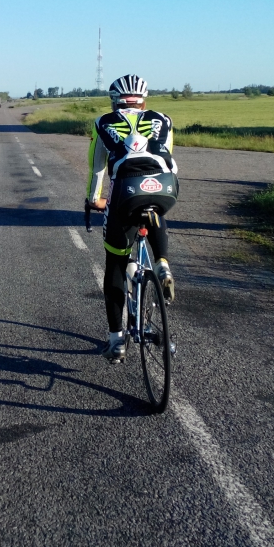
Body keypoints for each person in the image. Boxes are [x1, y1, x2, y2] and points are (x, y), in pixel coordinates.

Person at [86, 74, 178, 362]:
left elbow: (97, 167)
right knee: (154, 209)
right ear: (143, 101)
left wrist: (94, 199)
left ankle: (116, 340)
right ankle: (162, 263)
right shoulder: (163, 119)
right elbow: (169, 159)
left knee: (115, 263)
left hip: (126, 190)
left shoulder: (103, 122)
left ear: (114, 102)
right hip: (164, 185)